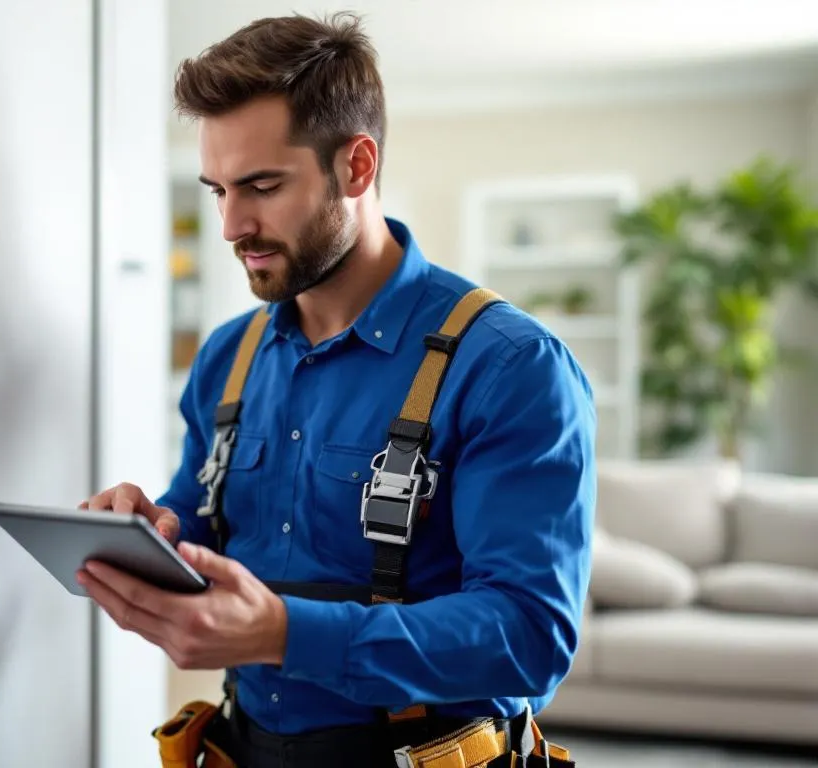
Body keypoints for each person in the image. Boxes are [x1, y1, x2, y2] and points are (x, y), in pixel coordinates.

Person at [78, 11, 594, 768]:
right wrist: (151, 535)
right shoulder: (230, 356)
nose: (230, 224)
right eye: (217, 189)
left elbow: (529, 636)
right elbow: (206, 521)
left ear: (356, 167)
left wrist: (285, 633)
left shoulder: (512, 367)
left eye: (260, 185)